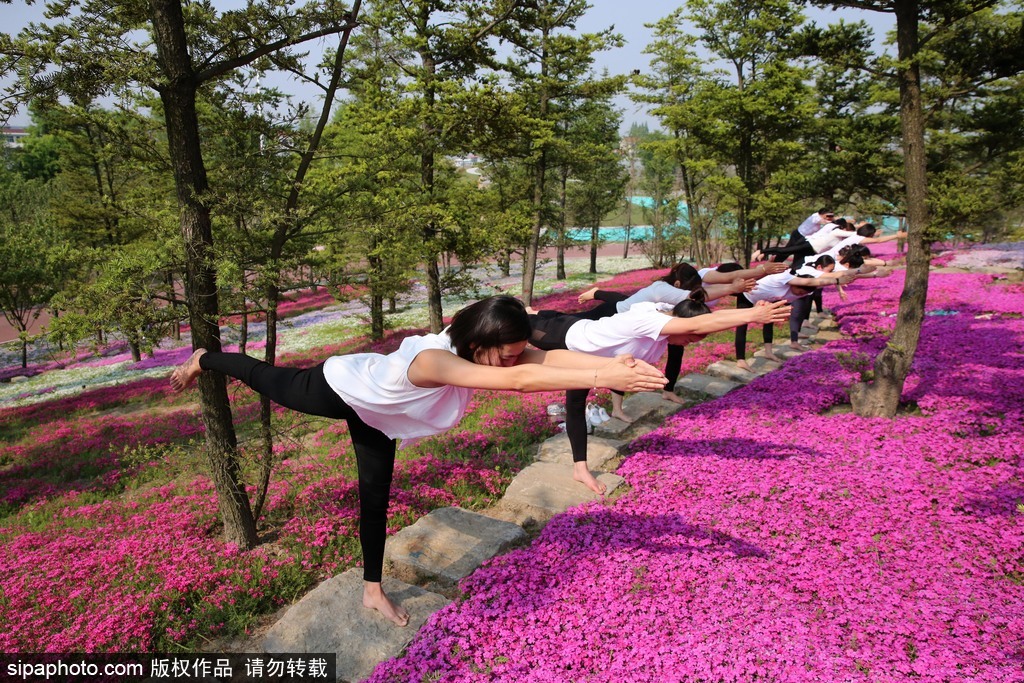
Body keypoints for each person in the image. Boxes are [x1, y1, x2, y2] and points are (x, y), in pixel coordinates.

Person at [169, 296, 667, 627]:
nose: (518, 359)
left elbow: (550, 360)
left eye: (519, 352)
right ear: (479, 346)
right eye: (510, 353)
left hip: (381, 418)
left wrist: (616, 362)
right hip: (341, 388)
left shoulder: (486, 348)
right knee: (270, 379)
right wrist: (603, 371)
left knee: (375, 498)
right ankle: (205, 357)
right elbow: (518, 380)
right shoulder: (435, 360)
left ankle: (371, 589)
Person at [527, 293, 792, 494]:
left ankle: (580, 469)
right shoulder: (649, 321)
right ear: (679, 325)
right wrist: (750, 316)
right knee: (513, 326)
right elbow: (704, 322)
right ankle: (524, 311)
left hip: (585, 355)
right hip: (562, 335)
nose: (688, 343)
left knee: (574, 406)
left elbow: (706, 322)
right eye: (689, 337)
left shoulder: (665, 337)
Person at [733, 260, 855, 370]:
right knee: (742, 325)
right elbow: (808, 281)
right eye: (800, 291)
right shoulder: (784, 277)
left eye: (803, 293)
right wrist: (837, 280)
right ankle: (741, 360)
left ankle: (768, 352)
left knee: (769, 322)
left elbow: (818, 283)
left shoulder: (802, 291)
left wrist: (863, 274)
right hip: (747, 296)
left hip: (768, 299)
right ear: (795, 284)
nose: (799, 294)